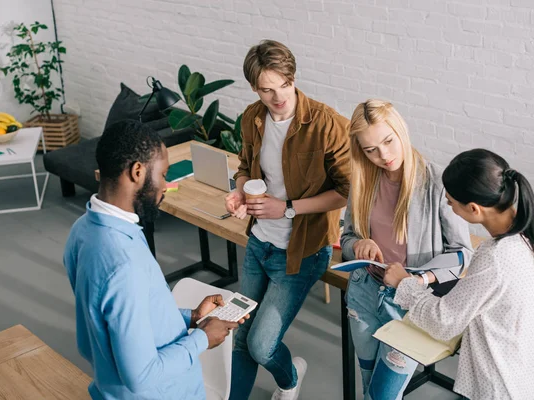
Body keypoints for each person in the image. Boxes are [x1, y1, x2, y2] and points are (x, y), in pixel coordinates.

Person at [63, 120, 247, 400]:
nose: (165, 185)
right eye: (163, 175)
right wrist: (202, 338)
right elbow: (141, 376)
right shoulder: (124, 263)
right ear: (137, 172)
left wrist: (190, 317)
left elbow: (114, 320)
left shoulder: (82, 231)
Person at [224, 40, 351, 400]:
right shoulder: (252, 116)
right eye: (267, 89)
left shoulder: (327, 124)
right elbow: (246, 166)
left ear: (292, 78)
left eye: (284, 85)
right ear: (254, 88)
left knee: (262, 346)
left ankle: (290, 379)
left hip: (302, 252)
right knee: (240, 334)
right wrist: (237, 192)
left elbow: (347, 191)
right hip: (259, 243)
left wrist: (288, 208)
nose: (278, 96)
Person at [385, 148, 534, 400]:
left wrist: (404, 284)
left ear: (474, 209)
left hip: (499, 387)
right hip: (524, 378)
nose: (449, 206)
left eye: (451, 203)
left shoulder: (496, 256)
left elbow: (444, 322)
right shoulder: (527, 234)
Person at [340, 100, 473, 400]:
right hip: (364, 293)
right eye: (370, 150)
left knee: (382, 396)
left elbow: (463, 252)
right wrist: (358, 244)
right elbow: (347, 237)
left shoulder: (437, 182)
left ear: (401, 131)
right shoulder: (363, 181)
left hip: (410, 303)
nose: (383, 156)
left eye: (388, 141)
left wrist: (419, 280)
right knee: (369, 384)